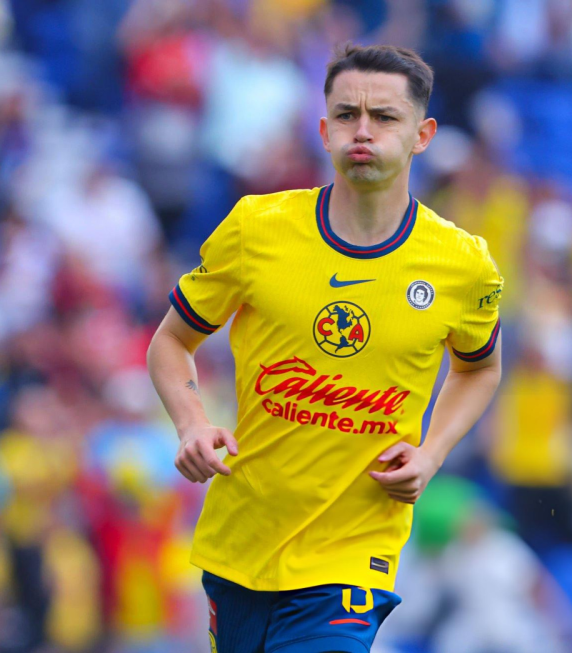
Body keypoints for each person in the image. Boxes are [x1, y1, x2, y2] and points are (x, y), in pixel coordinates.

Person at [146, 44, 504, 653]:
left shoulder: (462, 264)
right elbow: (171, 341)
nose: (362, 130)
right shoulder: (257, 229)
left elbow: (480, 369)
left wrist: (433, 452)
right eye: (346, 115)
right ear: (324, 129)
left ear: (423, 134)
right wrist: (191, 424)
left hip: (352, 559)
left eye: (385, 117)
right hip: (242, 540)